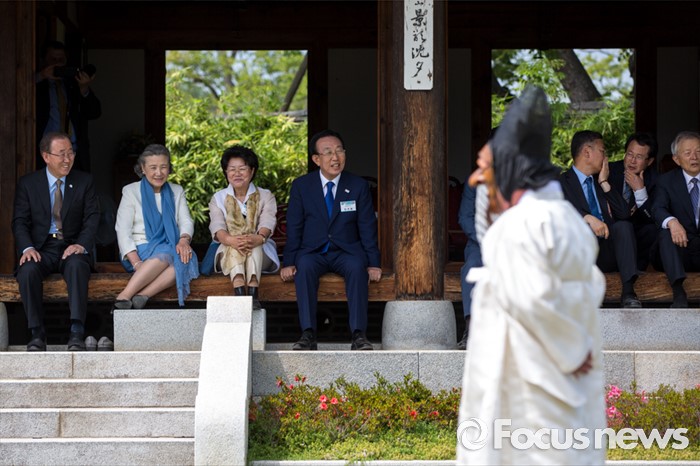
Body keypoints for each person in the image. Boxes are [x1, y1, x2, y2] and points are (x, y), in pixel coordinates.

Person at [456, 86, 606, 465]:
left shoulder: (520, 224)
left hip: (530, 372)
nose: (477, 178)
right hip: (563, 366)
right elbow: (592, 283)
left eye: (486, 169)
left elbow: (532, 298)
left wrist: (570, 347)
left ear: (508, 171)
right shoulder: (566, 216)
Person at [280, 129, 381, 351]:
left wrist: (373, 262)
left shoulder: (357, 186)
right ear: (316, 159)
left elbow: (367, 226)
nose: (335, 157)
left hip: (346, 252)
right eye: (328, 152)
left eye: (339, 151)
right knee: (304, 267)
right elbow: (294, 226)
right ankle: (308, 333)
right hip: (313, 252)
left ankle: (359, 334)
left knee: (357, 267)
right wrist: (289, 262)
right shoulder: (302, 186)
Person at [12, 131, 99, 351]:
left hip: (71, 245)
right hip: (41, 248)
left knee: (77, 266)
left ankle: (77, 332)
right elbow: (20, 221)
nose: (67, 159)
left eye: (71, 153)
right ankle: (36, 334)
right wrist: (27, 248)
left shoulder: (84, 181)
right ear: (46, 156)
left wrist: (81, 244)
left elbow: (92, 218)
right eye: (61, 154)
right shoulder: (28, 184)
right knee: (27, 270)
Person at [559, 130, 641, 308]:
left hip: (607, 250)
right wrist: (586, 217)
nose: (606, 157)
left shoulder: (602, 181)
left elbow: (624, 214)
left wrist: (604, 183)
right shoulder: (561, 182)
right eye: (603, 151)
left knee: (624, 226)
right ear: (587, 152)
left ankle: (628, 293)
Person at [114, 144, 199, 309]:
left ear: (169, 168)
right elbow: (122, 230)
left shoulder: (177, 190)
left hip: (171, 247)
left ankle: (142, 296)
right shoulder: (131, 191)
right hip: (138, 251)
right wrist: (136, 263)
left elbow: (186, 221)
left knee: (186, 258)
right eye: (153, 167)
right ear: (143, 168)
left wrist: (183, 240)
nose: (159, 173)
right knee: (170, 251)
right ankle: (124, 295)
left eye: (163, 167)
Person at [208, 146, 279, 310]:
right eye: (232, 169)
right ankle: (244, 291)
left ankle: (250, 290)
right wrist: (230, 240)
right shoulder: (218, 198)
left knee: (254, 245)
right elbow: (217, 226)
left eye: (242, 168)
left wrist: (259, 238)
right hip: (228, 249)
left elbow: (268, 221)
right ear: (226, 172)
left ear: (252, 171)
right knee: (235, 245)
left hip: (262, 252)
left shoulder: (266, 195)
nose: (237, 173)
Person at [651, 130, 700, 308]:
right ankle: (678, 291)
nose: (694, 157)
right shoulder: (665, 181)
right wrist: (672, 222)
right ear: (676, 159)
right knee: (665, 233)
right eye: (688, 153)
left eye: (699, 151)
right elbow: (657, 208)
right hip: (680, 250)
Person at [36, 40, 101, 173]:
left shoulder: (73, 84)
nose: (57, 63)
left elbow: (94, 112)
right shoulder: (37, 84)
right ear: (43, 61)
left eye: (61, 60)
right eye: (53, 59)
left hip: (73, 153)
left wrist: (84, 88)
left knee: (77, 186)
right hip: (44, 154)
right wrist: (41, 76)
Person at [608, 132, 659, 271]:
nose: (632, 161)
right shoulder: (609, 171)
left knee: (652, 230)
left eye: (639, 157)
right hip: (610, 230)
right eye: (630, 154)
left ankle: (638, 270)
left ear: (649, 161)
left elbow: (654, 218)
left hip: (636, 235)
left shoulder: (655, 180)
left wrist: (640, 191)